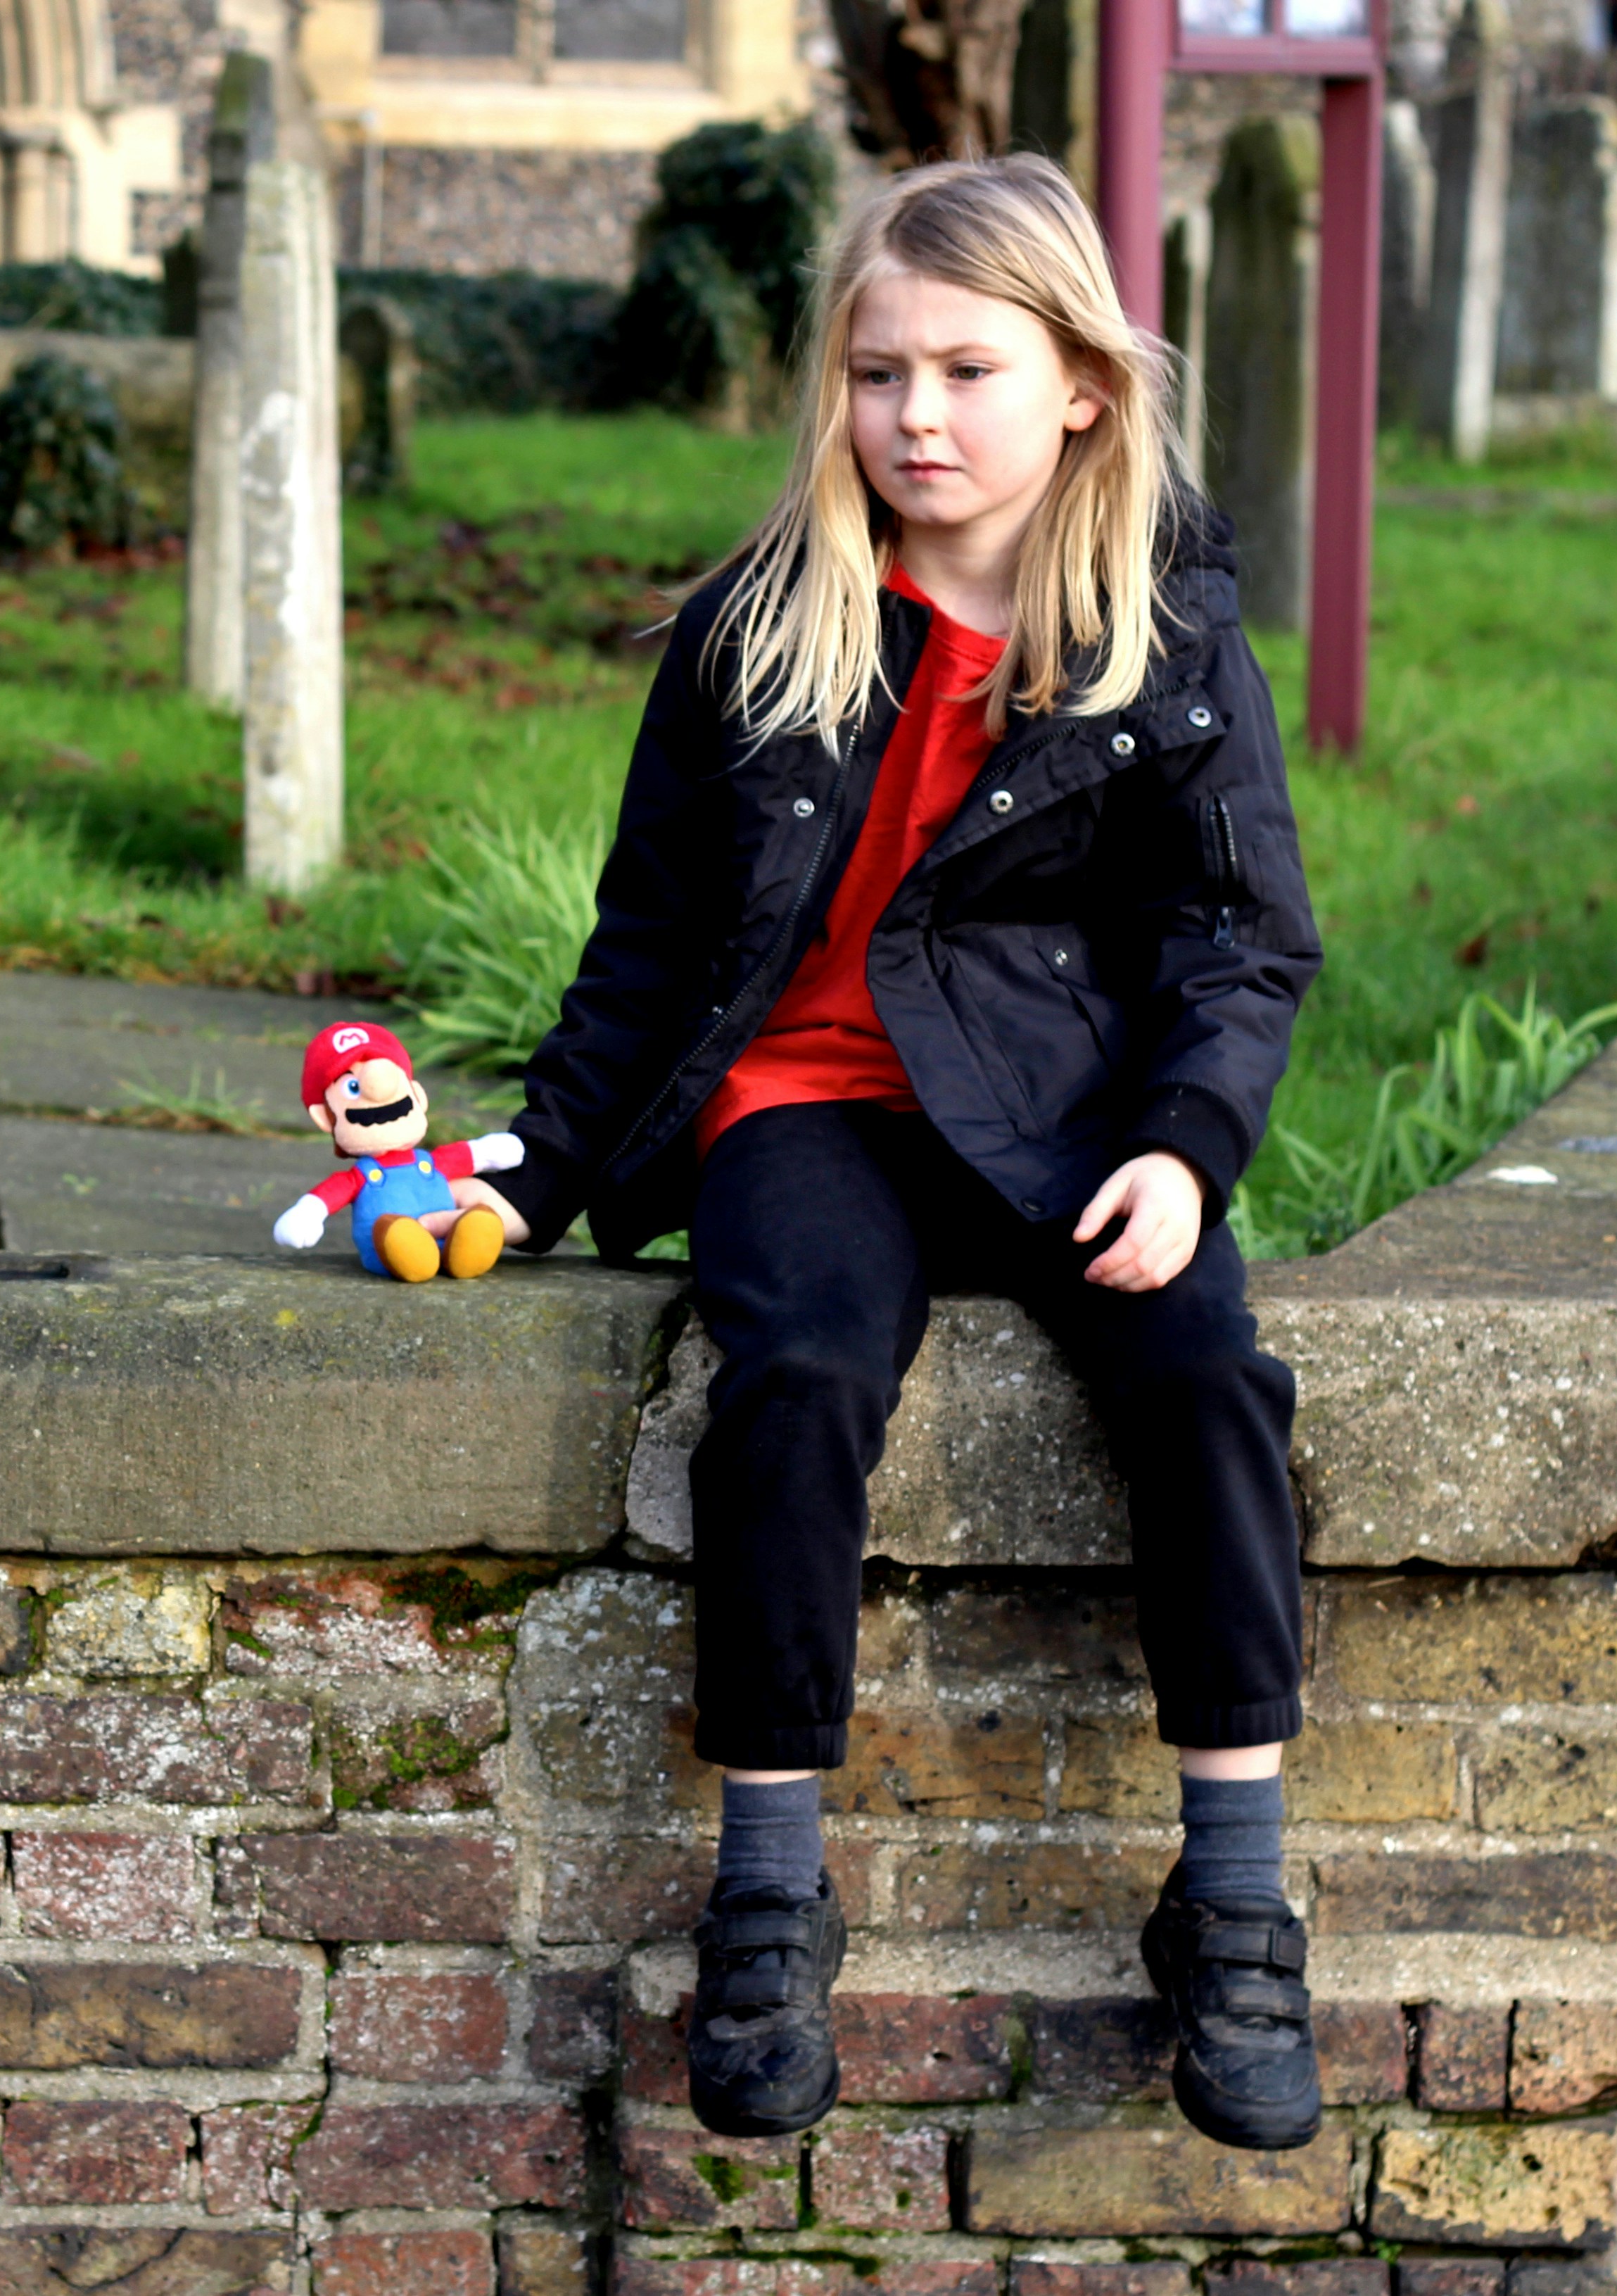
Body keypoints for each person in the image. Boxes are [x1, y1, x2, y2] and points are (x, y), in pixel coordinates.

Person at [471, 155, 1324, 2151]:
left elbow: (1239, 937)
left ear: (1086, 386)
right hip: (812, 1106)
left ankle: (1233, 1898)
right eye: (877, 373)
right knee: (798, 1370)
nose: (916, 418)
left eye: (965, 369)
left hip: (1069, 1122)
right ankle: (768, 1889)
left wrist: (1189, 1150)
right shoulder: (759, 631)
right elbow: (647, 947)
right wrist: (523, 1169)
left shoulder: (1165, 639)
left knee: (1204, 1371)